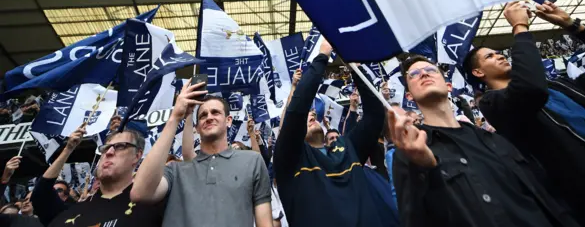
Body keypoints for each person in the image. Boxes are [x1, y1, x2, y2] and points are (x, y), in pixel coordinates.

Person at [463, 1, 585, 227]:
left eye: (499, 52)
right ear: (478, 72)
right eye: (489, 56)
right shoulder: (495, 105)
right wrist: (519, 27)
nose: (499, 56)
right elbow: (530, 89)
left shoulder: (563, 85)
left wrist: (574, 26)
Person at [390, 54, 581, 227]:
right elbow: (415, 220)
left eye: (431, 70)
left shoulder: (496, 139)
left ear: (449, 86)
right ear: (409, 97)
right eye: (414, 75)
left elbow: (543, 194)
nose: (423, 74)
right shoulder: (413, 152)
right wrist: (425, 169)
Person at [274, 40, 398, 227]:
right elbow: (297, 110)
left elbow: (374, 114)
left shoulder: (348, 148)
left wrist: (353, 65)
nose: (313, 113)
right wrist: (322, 56)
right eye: (307, 114)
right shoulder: (290, 158)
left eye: (313, 113)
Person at [131, 81, 273, 227]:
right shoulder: (176, 171)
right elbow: (139, 193)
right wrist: (176, 117)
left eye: (215, 112)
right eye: (203, 115)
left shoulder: (252, 161)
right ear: (197, 128)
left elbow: (265, 222)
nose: (209, 117)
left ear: (228, 121)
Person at [31, 125, 165, 227]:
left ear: (137, 156)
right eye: (106, 148)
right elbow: (40, 195)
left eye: (120, 146)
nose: (109, 152)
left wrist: (175, 118)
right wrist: (68, 148)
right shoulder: (71, 211)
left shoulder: (152, 204)